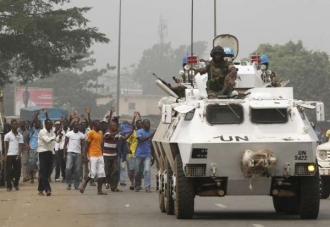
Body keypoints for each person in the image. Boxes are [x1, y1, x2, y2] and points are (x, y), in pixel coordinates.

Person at [80, 109, 107, 195]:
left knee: (101, 173)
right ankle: (84, 185)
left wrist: (102, 153)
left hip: (100, 155)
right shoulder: (91, 133)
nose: (100, 125)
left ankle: (99, 190)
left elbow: (101, 144)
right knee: (92, 172)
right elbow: (86, 145)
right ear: (94, 125)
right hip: (92, 155)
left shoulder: (100, 133)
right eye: (98, 123)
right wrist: (84, 156)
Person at [134, 119, 155, 193]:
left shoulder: (150, 133)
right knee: (138, 171)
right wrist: (151, 136)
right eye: (146, 123)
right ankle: (137, 185)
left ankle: (147, 187)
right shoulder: (139, 132)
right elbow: (141, 139)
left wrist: (153, 156)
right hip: (139, 154)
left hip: (147, 154)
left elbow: (152, 145)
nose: (148, 124)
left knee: (147, 170)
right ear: (143, 125)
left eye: (149, 123)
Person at [64, 121, 85, 190]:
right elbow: (65, 144)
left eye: (78, 125)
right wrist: (64, 153)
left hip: (78, 154)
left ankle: (76, 185)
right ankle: (68, 182)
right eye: (76, 126)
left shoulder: (81, 135)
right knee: (68, 168)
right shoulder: (69, 134)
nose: (78, 127)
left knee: (77, 170)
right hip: (70, 152)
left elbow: (83, 145)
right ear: (73, 126)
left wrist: (83, 154)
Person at [37, 118, 56, 196]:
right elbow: (47, 140)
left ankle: (40, 189)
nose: (51, 125)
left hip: (50, 152)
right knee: (44, 171)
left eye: (51, 124)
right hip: (42, 152)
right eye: (49, 124)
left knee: (48, 171)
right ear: (45, 124)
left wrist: (59, 136)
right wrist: (55, 136)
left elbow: (56, 140)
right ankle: (47, 189)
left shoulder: (51, 132)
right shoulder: (42, 132)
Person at [4, 119, 23, 191]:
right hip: (9, 155)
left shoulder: (20, 135)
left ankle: (16, 184)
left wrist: (19, 154)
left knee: (18, 171)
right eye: (14, 124)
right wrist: (5, 155)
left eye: (16, 124)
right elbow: (6, 146)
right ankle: (9, 186)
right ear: (11, 125)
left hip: (16, 155)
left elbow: (20, 145)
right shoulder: (7, 135)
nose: (16, 125)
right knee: (9, 171)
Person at [126, 112, 143, 190]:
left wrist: (140, 117)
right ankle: (132, 183)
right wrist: (128, 149)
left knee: (138, 170)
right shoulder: (133, 132)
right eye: (138, 123)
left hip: (140, 154)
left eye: (141, 123)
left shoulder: (143, 132)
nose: (140, 124)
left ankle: (137, 184)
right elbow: (127, 141)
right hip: (132, 153)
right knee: (132, 170)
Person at [29, 111, 41, 184]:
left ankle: (39, 177)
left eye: (39, 123)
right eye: (37, 123)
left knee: (39, 164)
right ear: (34, 124)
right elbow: (31, 123)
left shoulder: (41, 131)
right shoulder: (32, 129)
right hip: (33, 148)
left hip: (39, 149)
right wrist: (36, 116)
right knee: (31, 163)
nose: (38, 124)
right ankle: (32, 178)